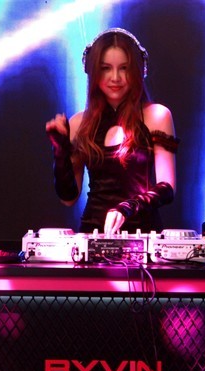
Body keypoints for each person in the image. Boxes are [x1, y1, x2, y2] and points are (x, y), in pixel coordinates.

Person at [45, 28, 179, 235]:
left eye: (124, 68)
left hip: (143, 236)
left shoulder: (157, 116)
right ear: (94, 72)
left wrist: (128, 207)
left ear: (137, 71)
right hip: (92, 235)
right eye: (106, 68)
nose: (115, 77)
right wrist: (60, 152)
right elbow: (68, 198)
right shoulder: (79, 123)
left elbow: (167, 187)